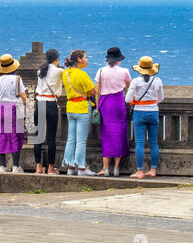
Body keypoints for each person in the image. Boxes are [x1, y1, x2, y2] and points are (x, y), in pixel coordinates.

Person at [125, 56, 164, 179]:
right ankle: (153, 170)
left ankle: (140, 171)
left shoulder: (136, 82)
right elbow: (161, 98)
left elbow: (127, 99)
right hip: (153, 112)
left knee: (140, 143)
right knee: (154, 143)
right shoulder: (158, 81)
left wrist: (137, 99)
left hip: (139, 113)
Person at [95, 47, 131, 177]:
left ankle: (105, 168)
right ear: (118, 59)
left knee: (106, 135)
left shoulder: (101, 71)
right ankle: (116, 168)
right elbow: (128, 85)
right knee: (119, 134)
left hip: (105, 104)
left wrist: (97, 106)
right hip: (118, 103)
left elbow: (97, 90)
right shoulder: (124, 71)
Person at [61, 50, 97, 176]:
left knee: (71, 139)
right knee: (81, 140)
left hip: (70, 106)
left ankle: (70, 166)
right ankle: (81, 167)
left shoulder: (65, 72)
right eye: (86, 57)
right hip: (82, 107)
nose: (87, 60)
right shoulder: (82, 75)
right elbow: (92, 92)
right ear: (79, 59)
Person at [0, 53, 27, 173]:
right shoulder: (17, 79)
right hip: (13, 109)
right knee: (15, 136)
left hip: (1, 109)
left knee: (1, 136)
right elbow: (23, 96)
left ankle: (2, 165)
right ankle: (16, 166)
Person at [34, 49, 63, 174]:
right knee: (51, 138)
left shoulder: (40, 70)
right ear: (57, 59)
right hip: (51, 104)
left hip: (39, 103)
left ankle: (38, 167)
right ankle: (51, 168)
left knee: (38, 137)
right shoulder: (59, 71)